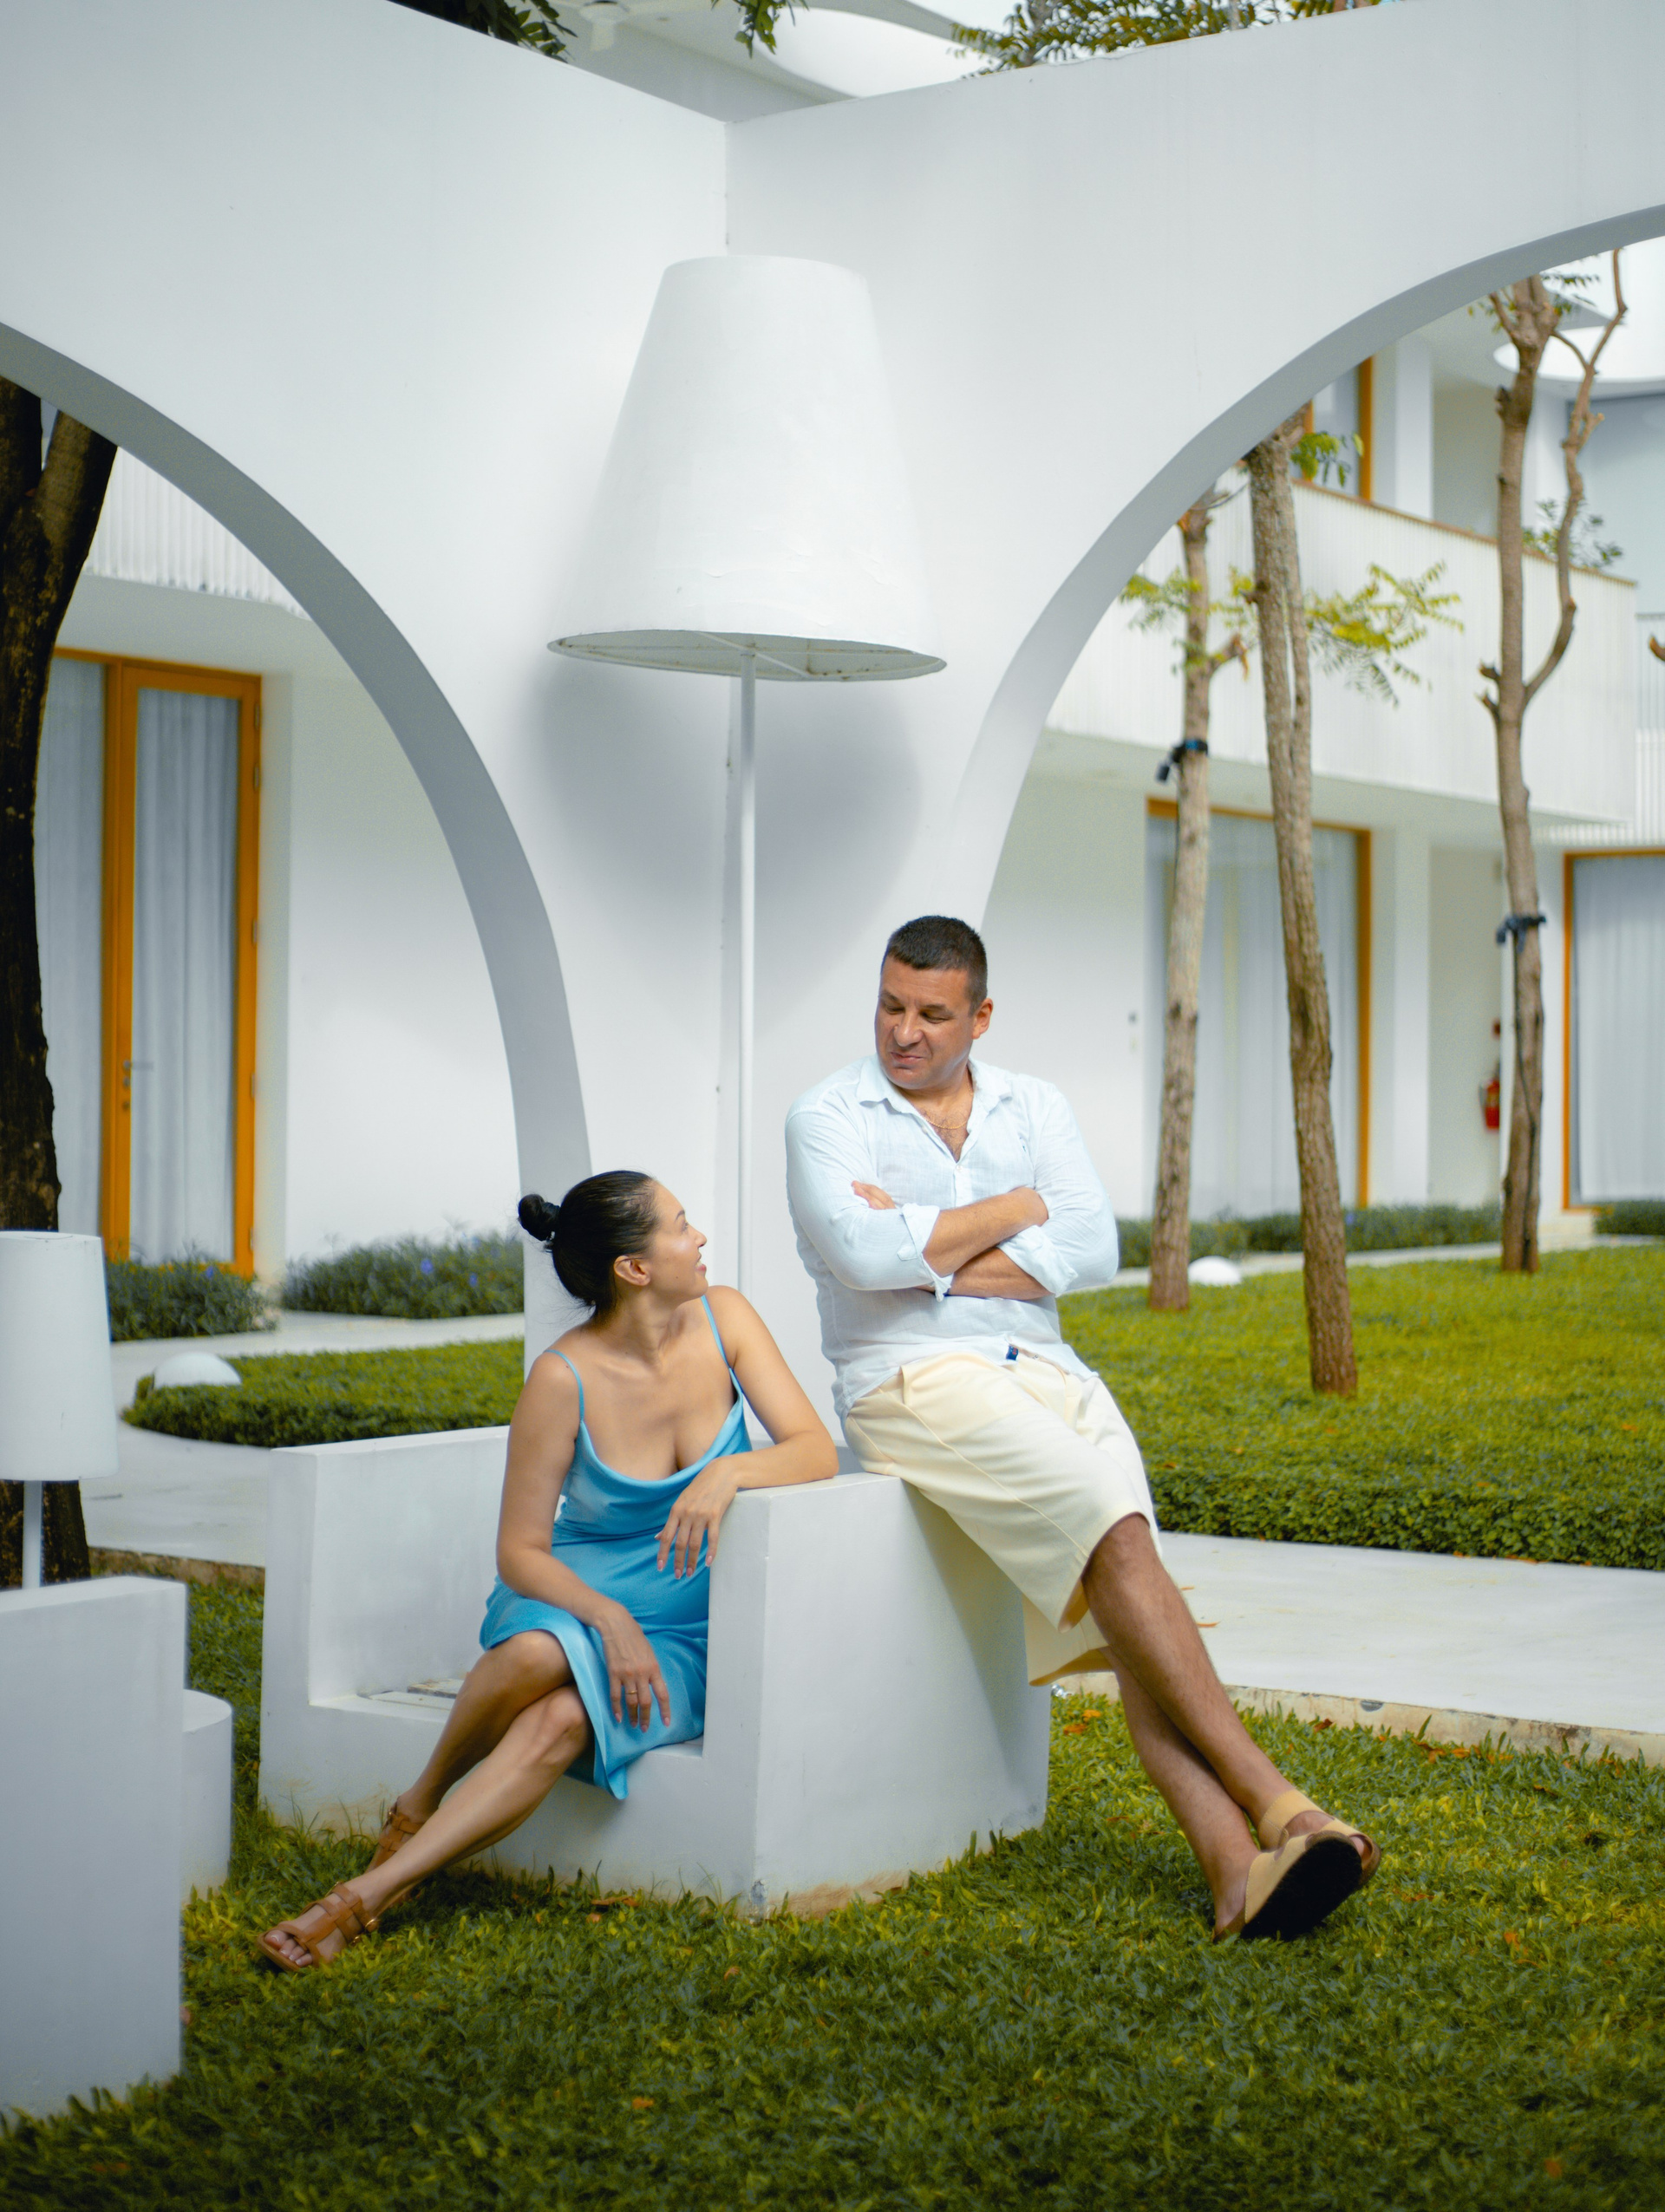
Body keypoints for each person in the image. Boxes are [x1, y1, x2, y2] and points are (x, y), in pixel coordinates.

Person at [785, 915, 1380, 1941]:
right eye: (890, 1006)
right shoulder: (827, 1115)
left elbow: (1093, 1247)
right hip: (912, 1379)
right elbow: (860, 1257)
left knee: (1128, 1583)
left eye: (933, 1014)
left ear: (981, 1015)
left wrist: (925, 1248)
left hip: (1051, 1370)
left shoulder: (1035, 1106)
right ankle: (1284, 1805)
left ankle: (1234, 1876)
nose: (905, 1032)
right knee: (1112, 1523)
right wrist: (1017, 1208)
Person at [260, 1171, 837, 1971]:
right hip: (572, 1598)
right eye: (680, 1225)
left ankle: (367, 1894)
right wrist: (608, 1617)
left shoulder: (726, 1318)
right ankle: (420, 1799)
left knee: (563, 1721)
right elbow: (520, 1551)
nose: (700, 1237)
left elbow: (814, 1450)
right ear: (634, 1267)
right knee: (538, 1652)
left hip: (692, 1628)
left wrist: (728, 1472)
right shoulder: (562, 1378)